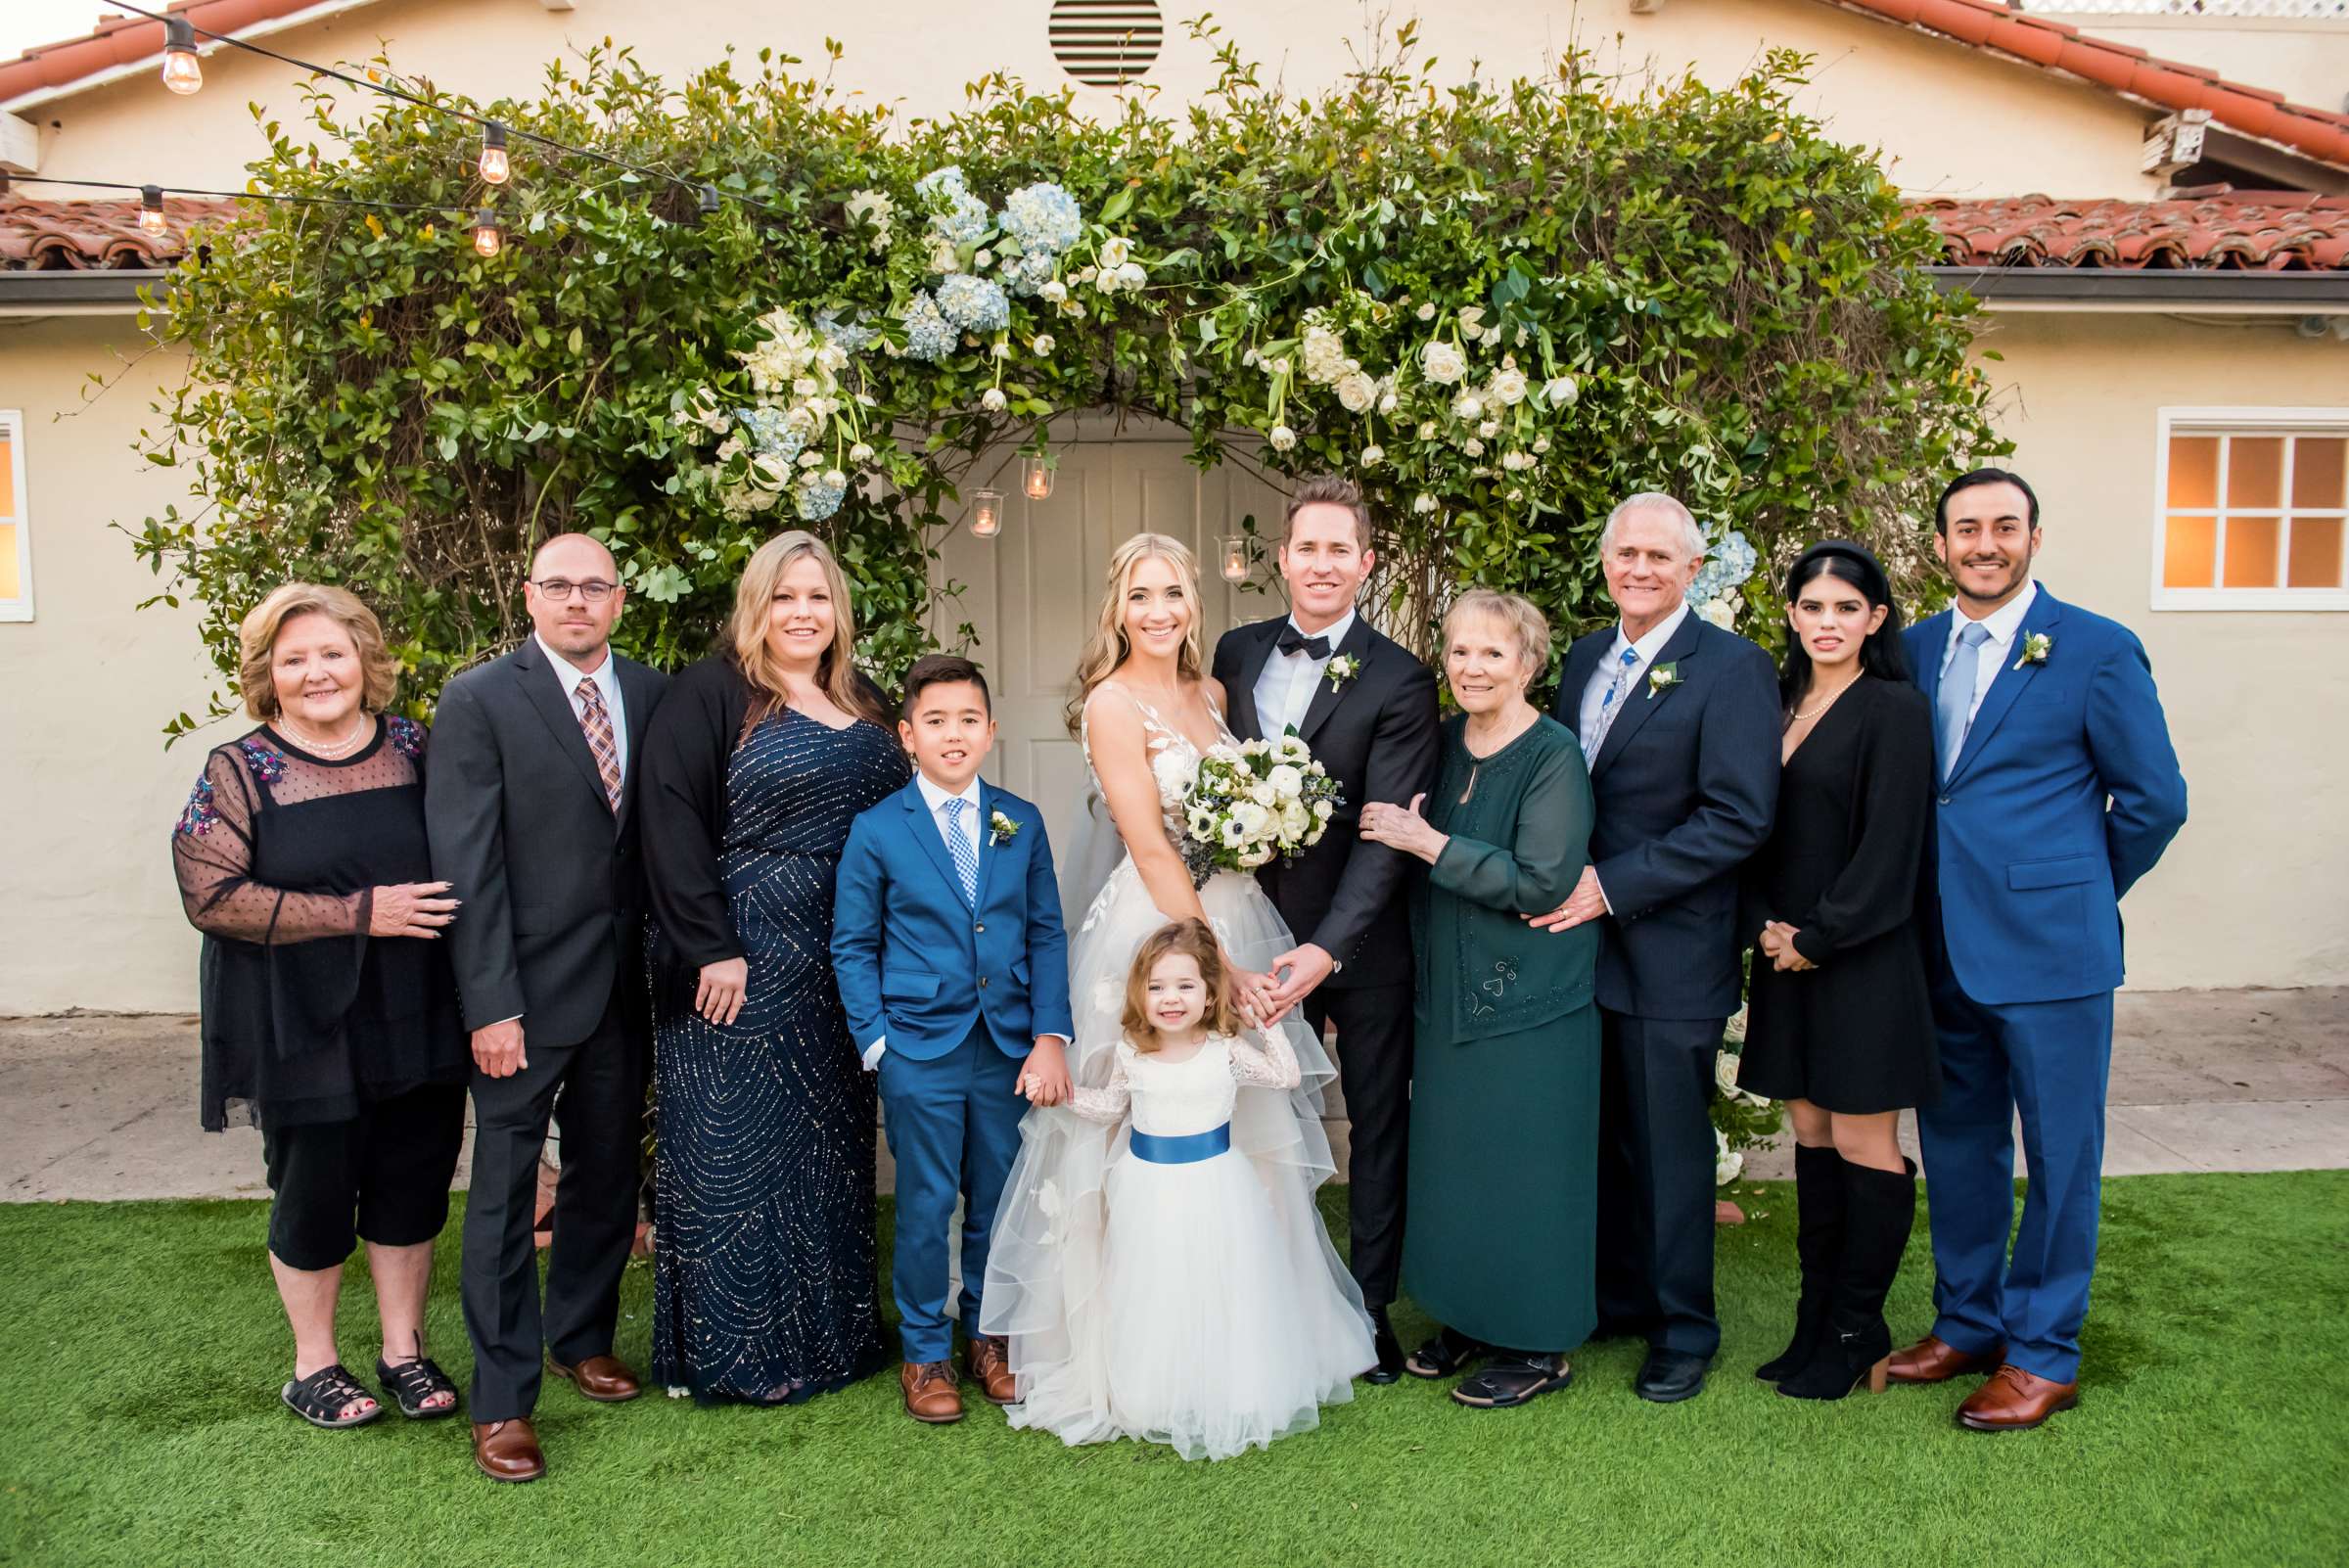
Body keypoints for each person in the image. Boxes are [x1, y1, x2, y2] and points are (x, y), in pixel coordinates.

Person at [982, 533, 1367, 1450]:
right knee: (1123, 1137)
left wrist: (1267, 831)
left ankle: (1248, 1333)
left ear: (1194, 605)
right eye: (1141, 596)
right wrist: (1213, 956)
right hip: (1156, 930)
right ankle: (1124, 1345)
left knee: (1250, 1132)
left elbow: (1228, 819)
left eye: (1174, 595)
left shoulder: (1213, 694)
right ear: (1117, 608)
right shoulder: (1111, 704)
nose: (1159, 612)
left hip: (1235, 911)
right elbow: (1151, 844)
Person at [1891, 470, 2187, 1431]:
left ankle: (2045, 1351)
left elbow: (2155, 801)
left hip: (2054, 953)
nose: (1985, 542)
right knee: (1958, 1147)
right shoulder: (1913, 649)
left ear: (2034, 537)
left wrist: (2078, 891)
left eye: (2003, 526)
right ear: (1940, 545)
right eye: (1967, 528)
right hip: (1940, 944)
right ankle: (1968, 1322)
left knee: (2062, 1156)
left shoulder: (2098, 650)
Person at [171, 583, 469, 1430]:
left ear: (365, 661)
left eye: (332, 653)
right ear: (268, 674)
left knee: (412, 1177)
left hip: (415, 1004)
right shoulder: (241, 769)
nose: (316, 673)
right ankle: (315, 1365)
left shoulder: (415, 747)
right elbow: (209, 892)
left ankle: (404, 1351)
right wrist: (357, 913)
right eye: (292, 659)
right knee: (315, 1185)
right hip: (300, 1015)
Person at [635, 530, 906, 1408]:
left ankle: (833, 1338)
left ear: (840, 612)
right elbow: (669, 823)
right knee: (733, 1152)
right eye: (786, 597)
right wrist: (711, 946)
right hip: (740, 953)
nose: (802, 614)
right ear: (758, 604)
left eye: (818, 598)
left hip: (845, 955)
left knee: (828, 1150)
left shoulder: (863, 698)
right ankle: (735, 1355)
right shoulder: (713, 692)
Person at [427, 532, 668, 1482]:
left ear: (619, 598)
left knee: (607, 1171)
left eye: (595, 586)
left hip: (623, 989)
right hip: (521, 999)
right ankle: (500, 1400)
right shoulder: (481, 700)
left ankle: (582, 1336)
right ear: (530, 596)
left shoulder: (651, 693)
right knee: (500, 1199)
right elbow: (468, 863)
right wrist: (488, 1004)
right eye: (559, 586)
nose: (577, 600)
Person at [1532, 492, 1781, 1404]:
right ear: (1606, 563)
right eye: (1625, 554)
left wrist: (1615, 885)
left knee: (1672, 1150)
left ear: (1692, 569)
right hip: (1577, 950)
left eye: (1659, 557)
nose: (1640, 569)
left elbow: (1739, 817)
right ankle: (1621, 1297)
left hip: (1672, 948)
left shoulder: (1733, 667)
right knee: (1603, 1141)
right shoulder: (1589, 657)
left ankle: (1685, 1330)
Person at [1209, 475, 1440, 1381]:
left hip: (1361, 941)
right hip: (1245, 933)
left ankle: (1371, 1309)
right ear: (1282, 558)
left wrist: (1324, 948)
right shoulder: (1233, 653)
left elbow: (1385, 833)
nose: (1322, 563)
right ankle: (1257, 1294)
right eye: (1308, 546)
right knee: (1251, 1115)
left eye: (1341, 548)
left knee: (1376, 1124)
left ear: (1367, 564)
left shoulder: (1400, 677)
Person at [1004, 920, 1371, 1458]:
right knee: (1156, 1282)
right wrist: (1064, 1098)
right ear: (1140, 995)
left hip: (1216, 1185)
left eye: (1184, 987)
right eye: (1156, 988)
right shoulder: (1133, 1053)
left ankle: (1218, 1380)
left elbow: (1285, 1077)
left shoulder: (1224, 1049)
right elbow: (1112, 1106)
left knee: (1215, 1279)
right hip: (1146, 1186)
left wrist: (1263, 1023)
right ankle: (1158, 1385)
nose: (1169, 999)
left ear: (1208, 995)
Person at [1360, 591, 1598, 1408]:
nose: (1472, 667)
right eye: (1460, 652)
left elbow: (1543, 878)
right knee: (1458, 1170)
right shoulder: (1442, 743)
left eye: (1493, 654)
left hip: (1530, 996)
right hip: (1445, 995)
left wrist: (1427, 843)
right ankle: (1468, 1315)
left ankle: (1538, 1342)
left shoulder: (1553, 755)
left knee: (1529, 1171)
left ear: (1529, 664)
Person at [830, 654, 1075, 1424]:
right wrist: (877, 1045)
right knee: (928, 1201)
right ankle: (926, 1353)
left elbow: (1045, 933)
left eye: (969, 719)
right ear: (907, 735)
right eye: (935, 721)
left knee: (1001, 1200)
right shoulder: (877, 830)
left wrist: (1050, 1036)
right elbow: (852, 943)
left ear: (992, 731)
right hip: (918, 1049)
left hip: (1007, 1048)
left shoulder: (1020, 820)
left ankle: (989, 1336)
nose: (954, 734)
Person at [1736, 542, 1939, 1402]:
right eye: (1813, 607)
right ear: (1790, 616)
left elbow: (1892, 852)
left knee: (1862, 1141)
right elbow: (1746, 826)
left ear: (1876, 620)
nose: (1827, 623)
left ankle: (1860, 1327)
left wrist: (1816, 937)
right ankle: (1816, 1320)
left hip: (1860, 957)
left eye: (1845, 609)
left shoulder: (1893, 709)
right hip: (1783, 953)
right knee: (1809, 1135)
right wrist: (1765, 932)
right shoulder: (1775, 704)